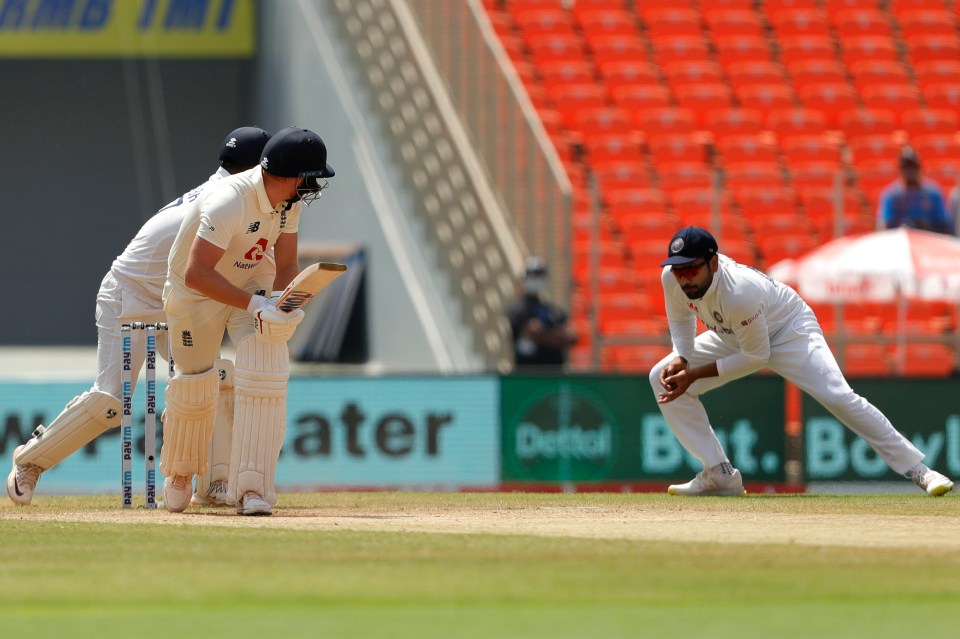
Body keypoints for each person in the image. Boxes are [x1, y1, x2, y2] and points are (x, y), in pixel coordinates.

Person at [6, 127, 272, 506]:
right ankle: (30, 460)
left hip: (176, 300)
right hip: (128, 296)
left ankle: (213, 482)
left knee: (212, 377)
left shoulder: (233, 198)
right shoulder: (224, 201)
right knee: (110, 404)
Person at [649, 226, 955, 497]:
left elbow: (757, 358)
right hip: (732, 334)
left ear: (713, 263)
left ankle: (919, 470)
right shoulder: (672, 279)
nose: (684, 278)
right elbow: (680, 320)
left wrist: (692, 374)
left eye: (692, 270)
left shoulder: (739, 291)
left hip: (789, 330)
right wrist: (682, 357)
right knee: (658, 375)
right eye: (679, 271)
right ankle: (718, 474)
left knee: (837, 395)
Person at [161, 126, 334, 516]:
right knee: (195, 388)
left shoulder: (290, 203)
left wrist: (284, 305)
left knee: (267, 366)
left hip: (252, 281)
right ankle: (181, 473)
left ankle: (252, 489)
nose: (313, 186)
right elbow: (196, 274)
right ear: (292, 176)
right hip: (195, 294)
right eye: (310, 178)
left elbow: (287, 263)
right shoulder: (228, 201)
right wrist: (256, 306)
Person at [507, 256, 579, 371]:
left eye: (540, 275)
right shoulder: (519, 309)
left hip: (554, 374)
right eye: (533, 275)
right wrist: (557, 335)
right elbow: (535, 334)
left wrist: (546, 334)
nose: (536, 279)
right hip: (527, 375)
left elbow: (572, 336)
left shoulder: (552, 310)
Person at [876, 146, 953, 235]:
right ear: (900, 170)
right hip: (900, 242)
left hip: (928, 240)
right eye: (906, 168)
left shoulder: (932, 193)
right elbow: (884, 225)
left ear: (919, 168)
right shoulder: (892, 195)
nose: (910, 172)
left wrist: (925, 228)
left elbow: (944, 224)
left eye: (913, 167)